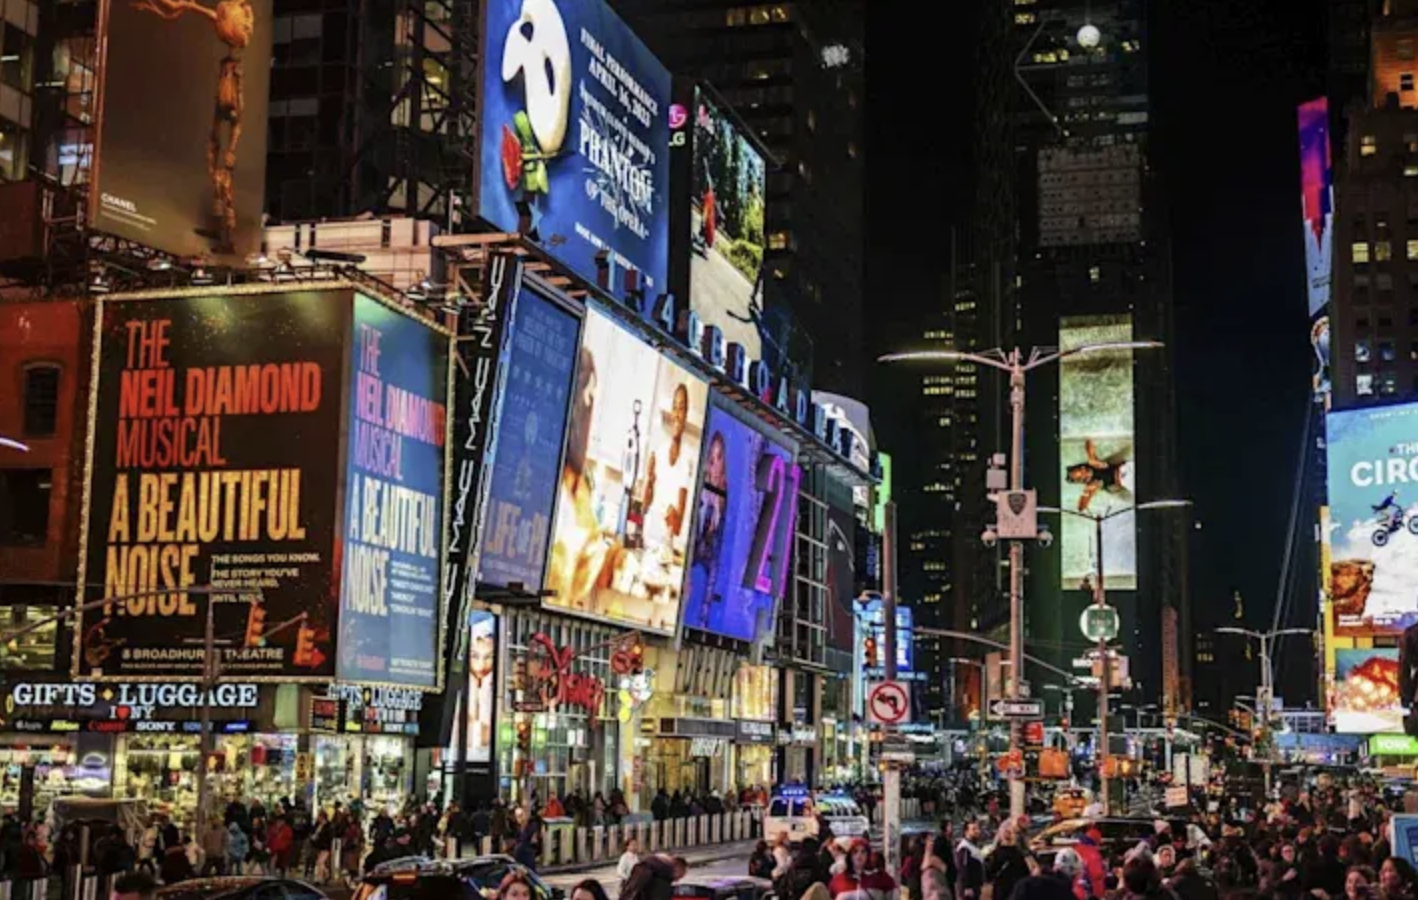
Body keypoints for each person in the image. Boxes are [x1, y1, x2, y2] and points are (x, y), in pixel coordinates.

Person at [1065, 438, 1130, 513]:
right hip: (1124, 481)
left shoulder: (1093, 464)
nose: (1083, 472)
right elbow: (1081, 507)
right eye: (1080, 476)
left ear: (1081, 467)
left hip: (1125, 468)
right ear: (1080, 479)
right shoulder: (1091, 485)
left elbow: (1088, 442)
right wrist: (1086, 492)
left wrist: (1091, 457)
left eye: (1080, 469)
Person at [986, 823, 1031, 900]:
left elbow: (990, 873)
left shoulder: (996, 853)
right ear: (1014, 836)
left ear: (1000, 836)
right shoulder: (1020, 853)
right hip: (1016, 890)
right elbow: (1026, 873)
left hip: (1001, 890)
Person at [619, 854, 688, 900]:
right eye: (679, 877)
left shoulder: (645, 867)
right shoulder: (663, 882)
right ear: (677, 868)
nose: (677, 880)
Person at [956, 821, 987, 900]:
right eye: (974, 829)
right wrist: (967, 887)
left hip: (975, 887)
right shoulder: (964, 847)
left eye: (978, 828)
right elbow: (963, 868)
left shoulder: (972, 845)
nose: (977, 831)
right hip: (969, 890)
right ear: (966, 831)